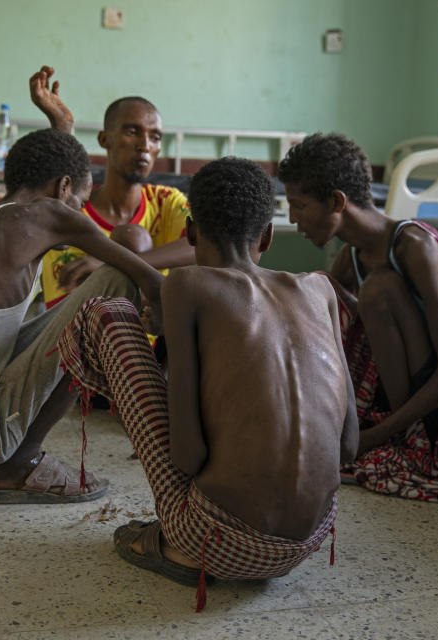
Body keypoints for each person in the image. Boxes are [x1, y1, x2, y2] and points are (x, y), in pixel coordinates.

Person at [55, 157, 358, 611]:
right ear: (269, 236)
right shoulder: (321, 289)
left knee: (107, 315)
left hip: (215, 539)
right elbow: (349, 447)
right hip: (306, 541)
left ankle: (175, 546)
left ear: (192, 233)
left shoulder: (187, 285)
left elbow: (188, 454)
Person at [0, 128, 164, 503]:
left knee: (33, 318)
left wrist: (60, 127)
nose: (80, 213)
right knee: (117, 281)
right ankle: (18, 462)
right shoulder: (49, 216)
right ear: (63, 187)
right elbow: (147, 280)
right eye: (80, 202)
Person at [277, 133, 438, 503]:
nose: (292, 218)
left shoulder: (414, 247)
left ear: (336, 202)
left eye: (299, 206)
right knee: (316, 290)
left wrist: (373, 438)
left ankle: (406, 439)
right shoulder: (351, 259)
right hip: (394, 401)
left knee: (377, 289)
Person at [29, 65, 194, 307]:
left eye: (155, 137)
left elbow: (206, 244)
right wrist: (62, 125)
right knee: (131, 237)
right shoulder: (72, 208)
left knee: (133, 237)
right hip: (74, 337)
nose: (145, 145)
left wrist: (113, 264)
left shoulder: (166, 202)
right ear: (105, 139)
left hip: (150, 340)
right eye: (132, 131)